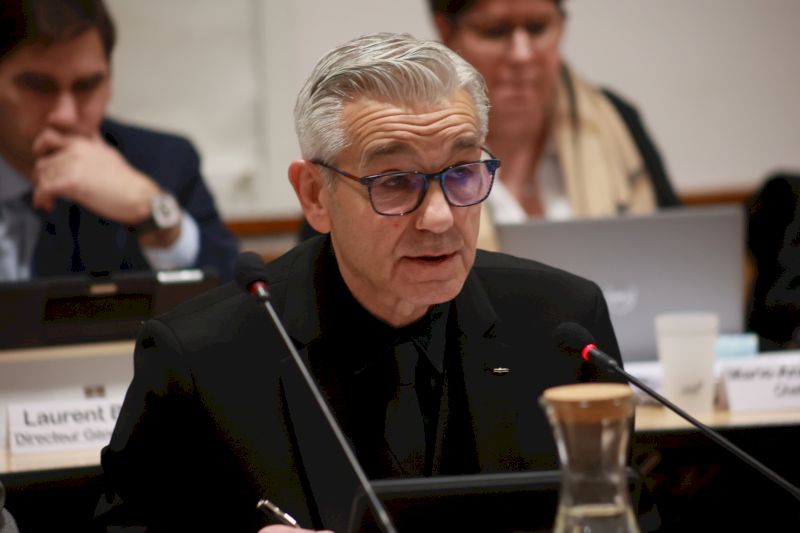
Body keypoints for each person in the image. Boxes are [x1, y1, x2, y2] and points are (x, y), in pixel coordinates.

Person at [97, 32, 624, 532]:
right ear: (314, 195)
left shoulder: (562, 327)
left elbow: (625, 514)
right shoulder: (201, 358)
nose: (439, 217)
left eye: (463, 173)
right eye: (394, 181)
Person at [0, 0, 238, 282]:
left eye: (87, 85)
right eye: (39, 86)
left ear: (110, 82)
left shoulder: (163, 162)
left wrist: (153, 211)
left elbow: (237, 295)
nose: (65, 116)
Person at [428, 0, 680, 249]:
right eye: (495, 31)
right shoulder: (418, 140)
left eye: (537, 28)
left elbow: (675, 247)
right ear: (446, 31)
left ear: (561, 25)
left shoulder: (617, 120)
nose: (522, 54)